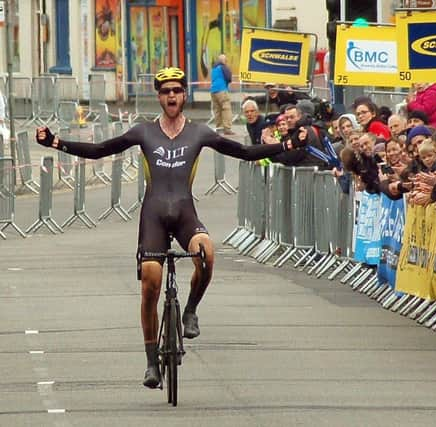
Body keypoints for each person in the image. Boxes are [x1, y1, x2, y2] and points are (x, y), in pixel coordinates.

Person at [34, 67, 301, 390]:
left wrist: (283, 147)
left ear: (185, 95)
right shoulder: (143, 132)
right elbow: (100, 149)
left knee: (207, 254)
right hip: (154, 216)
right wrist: (56, 143)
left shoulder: (199, 132)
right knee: (150, 282)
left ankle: (189, 311)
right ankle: (150, 362)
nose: (172, 96)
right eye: (165, 91)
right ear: (159, 97)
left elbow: (243, 152)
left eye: (177, 90)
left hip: (185, 213)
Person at [209, 54, 234, 135]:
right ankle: (227, 128)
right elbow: (228, 77)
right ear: (223, 61)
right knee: (226, 108)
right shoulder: (223, 67)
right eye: (226, 60)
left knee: (217, 110)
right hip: (221, 89)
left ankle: (219, 128)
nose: (226, 62)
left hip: (213, 90)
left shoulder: (214, 68)